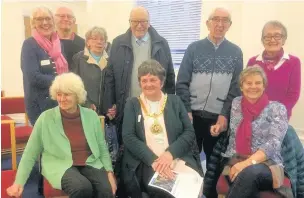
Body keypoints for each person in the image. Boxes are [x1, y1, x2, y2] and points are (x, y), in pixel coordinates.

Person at [6, 73, 116, 198]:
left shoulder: (91, 116)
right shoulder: (45, 119)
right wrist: (18, 183)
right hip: (60, 165)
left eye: (67, 94)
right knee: (82, 188)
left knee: (106, 191)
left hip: (90, 162)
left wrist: (109, 172)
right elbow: (30, 153)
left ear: (77, 95)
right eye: (59, 94)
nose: (62, 99)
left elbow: (102, 148)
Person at [203, 66, 294, 198]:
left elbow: (273, 143)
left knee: (248, 173)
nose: (253, 86)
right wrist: (219, 128)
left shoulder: (277, 108)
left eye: (258, 83)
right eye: (248, 83)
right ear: (241, 86)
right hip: (236, 157)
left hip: (267, 164)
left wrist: (245, 164)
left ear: (264, 86)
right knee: (244, 180)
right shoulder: (236, 104)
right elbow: (233, 129)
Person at [121, 60, 203, 198]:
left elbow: (189, 132)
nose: (148, 84)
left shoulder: (175, 102)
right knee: (167, 191)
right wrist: (155, 161)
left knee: (193, 187)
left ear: (162, 82)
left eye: (153, 79)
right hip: (146, 161)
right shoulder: (132, 104)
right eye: (144, 80)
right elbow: (128, 136)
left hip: (176, 157)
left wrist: (169, 154)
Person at [176, 7, 243, 166]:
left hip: (217, 118)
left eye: (225, 20)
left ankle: (210, 192)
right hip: (192, 115)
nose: (220, 24)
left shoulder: (235, 52)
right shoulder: (194, 48)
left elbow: (236, 88)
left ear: (230, 25)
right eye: (216, 19)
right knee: (188, 160)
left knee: (215, 164)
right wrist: (186, 109)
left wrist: (224, 114)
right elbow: (182, 82)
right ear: (208, 23)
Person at [104, 6, 176, 144]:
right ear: (129, 22)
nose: (139, 25)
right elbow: (110, 76)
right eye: (135, 21)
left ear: (149, 22)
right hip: (126, 104)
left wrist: (170, 104)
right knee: (127, 142)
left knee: (153, 141)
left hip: (155, 106)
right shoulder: (118, 43)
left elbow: (170, 76)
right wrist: (110, 103)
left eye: (143, 21)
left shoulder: (162, 43)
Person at [21, 7, 68, 125]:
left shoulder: (59, 44)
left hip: (60, 102)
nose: (45, 23)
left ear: (53, 21)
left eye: (48, 18)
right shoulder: (29, 45)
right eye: (39, 19)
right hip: (39, 106)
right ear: (33, 23)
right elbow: (33, 76)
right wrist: (61, 81)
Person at [247, 20, 301, 120]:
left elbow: (293, 94)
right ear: (262, 40)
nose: (272, 40)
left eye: (277, 36)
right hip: (254, 115)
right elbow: (247, 90)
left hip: (280, 118)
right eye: (267, 36)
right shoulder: (253, 62)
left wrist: (275, 113)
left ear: (284, 40)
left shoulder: (294, 62)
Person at [71, 26, 113, 116]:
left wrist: (113, 106)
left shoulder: (112, 60)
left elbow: (115, 86)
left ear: (106, 43)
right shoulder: (78, 59)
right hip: (85, 110)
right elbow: (74, 86)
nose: (99, 42)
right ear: (87, 42)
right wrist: (86, 104)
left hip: (107, 114)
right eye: (94, 39)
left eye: (102, 39)